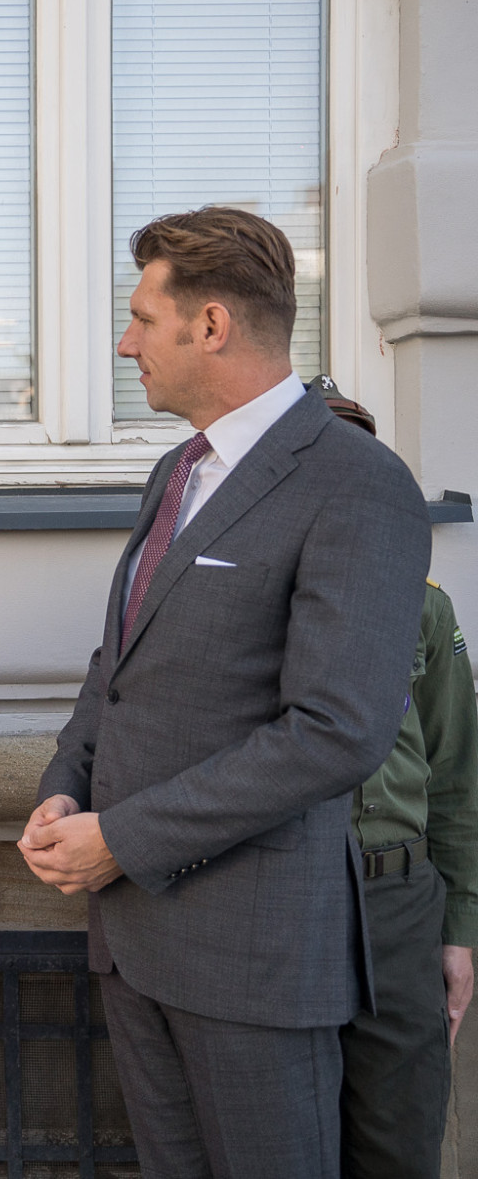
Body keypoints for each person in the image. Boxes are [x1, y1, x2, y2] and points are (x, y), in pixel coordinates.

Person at [18, 208, 432, 1179]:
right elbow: (116, 665)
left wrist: (120, 837)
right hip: (133, 942)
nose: (123, 344)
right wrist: (63, 786)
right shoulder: (176, 470)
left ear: (209, 325)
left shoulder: (354, 482)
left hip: (250, 961)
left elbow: (335, 731)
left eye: (138, 319)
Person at [312, 376, 478, 1179]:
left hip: (398, 903)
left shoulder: (423, 604)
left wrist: (461, 929)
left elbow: (455, 776)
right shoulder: (247, 598)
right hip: (290, 895)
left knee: (400, 1145)